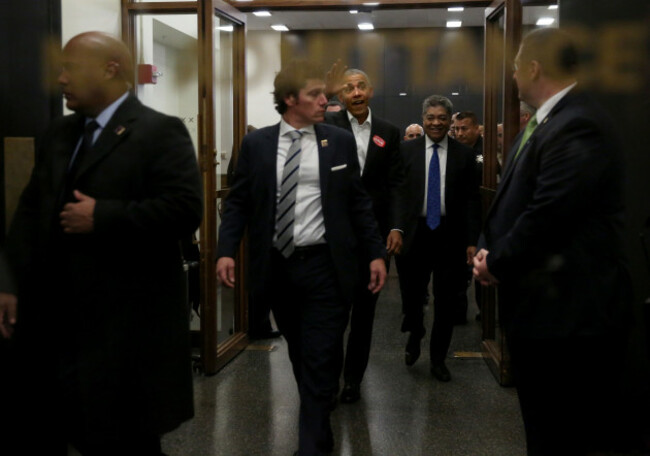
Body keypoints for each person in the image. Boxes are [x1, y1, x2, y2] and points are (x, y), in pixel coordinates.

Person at [0, 31, 202, 454]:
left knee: (125, 441)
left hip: (125, 333)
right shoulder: (60, 135)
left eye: (70, 68)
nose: (60, 79)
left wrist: (104, 216)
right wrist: (10, 282)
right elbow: (30, 213)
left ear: (110, 69)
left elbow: (185, 210)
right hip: (58, 326)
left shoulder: (158, 132)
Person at [216, 59, 386, 456]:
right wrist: (226, 250)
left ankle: (310, 444)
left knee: (322, 351)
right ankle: (318, 417)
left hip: (327, 267)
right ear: (290, 99)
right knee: (300, 349)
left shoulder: (337, 142)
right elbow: (238, 201)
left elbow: (359, 204)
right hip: (277, 267)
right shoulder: (256, 145)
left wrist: (375, 253)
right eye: (314, 94)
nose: (325, 100)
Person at [473, 28, 631, 455]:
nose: (512, 76)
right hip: (545, 313)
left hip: (567, 319)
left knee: (563, 432)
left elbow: (549, 215)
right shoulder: (552, 121)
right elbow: (516, 198)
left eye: (514, 67)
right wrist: (491, 245)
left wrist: (496, 262)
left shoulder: (577, 124)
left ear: (533, 67)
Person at [323, 68, 405, 404]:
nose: (355, 93)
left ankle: (353, 380)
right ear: (340, 96)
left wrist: (396, 227)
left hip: (374, 240)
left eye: (361, 87)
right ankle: (328, 378)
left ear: (370, 91)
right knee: (333, 312)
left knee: (364, 314)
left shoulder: (388, 132)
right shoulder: (327, 130)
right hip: (335, 239)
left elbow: (398, 184)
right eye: (348, 89)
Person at [397, 95, 480, 382]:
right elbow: (398, 194)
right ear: (423, 119)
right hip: (415, 234)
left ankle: (437, 359)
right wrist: (395, 228)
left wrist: (472, 240)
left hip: (450, 236)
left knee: (447, 301)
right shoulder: (405, 151)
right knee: (412, 297)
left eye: (442, 118)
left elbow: (471, 201)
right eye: (430, 117)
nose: (436, 123)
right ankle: (415, 330)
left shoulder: (465, 156)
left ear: (450, 121)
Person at [452, 111, 484, 325]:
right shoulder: (453, 151)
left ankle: (486, 312)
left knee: (482, 273)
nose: (459, 133)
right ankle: (458, 313)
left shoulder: (486, 153)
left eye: (464, 128)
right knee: (458, 273)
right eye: (456, 129)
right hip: (459, 222)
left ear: (476, 129)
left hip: (483, 220)